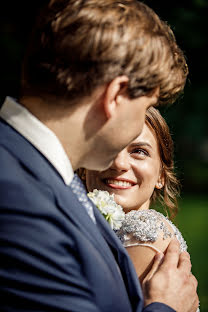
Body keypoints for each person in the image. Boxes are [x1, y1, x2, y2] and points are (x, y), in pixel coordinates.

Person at [0, 0, 198, 311]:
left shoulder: (38, 173)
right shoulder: (19, 198)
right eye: (144, 107)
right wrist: (165, 307)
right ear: (116, 96)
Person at [81, 106, 195, 281]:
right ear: (84, 166)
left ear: (161, 176)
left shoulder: (144, 234)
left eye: (139, 151)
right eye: (107, 147)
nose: (119, 164)